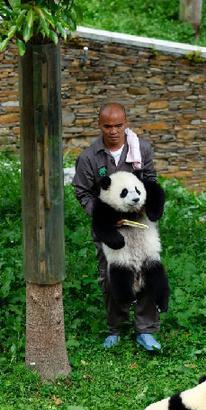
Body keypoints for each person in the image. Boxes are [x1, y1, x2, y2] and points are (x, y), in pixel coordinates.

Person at [73, 102, 163, 351]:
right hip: (109, 230)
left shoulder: (141, 149)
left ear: (126, 123)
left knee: (147, 273)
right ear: (100, 125)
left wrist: (148, 205)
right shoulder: (90, 157)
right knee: (112, 278)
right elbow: (82, 192)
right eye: (108, 126)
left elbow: (151, 181)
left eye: (118, 125)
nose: (113, 131)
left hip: (140, 225)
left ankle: (145, 330)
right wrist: (105, 216)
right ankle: (115, 327)